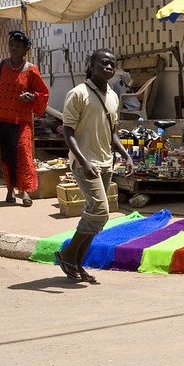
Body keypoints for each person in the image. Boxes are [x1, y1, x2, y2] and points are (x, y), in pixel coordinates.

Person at [55, 49, 135, 283]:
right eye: (104, 63)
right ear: (91, 65)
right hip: (85, 163)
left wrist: (125, 155)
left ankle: (75, 262)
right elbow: (68, 131)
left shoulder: (113, 95)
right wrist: (83, 160)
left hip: (105, 162)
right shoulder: (78, 94)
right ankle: (68, 253)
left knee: (95, 214)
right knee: (100, 211)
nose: (109, 68)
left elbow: (113, 132)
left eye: (112, 65)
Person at [0, 30, 49, 207]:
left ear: (25, 50)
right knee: (7, 155)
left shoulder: (31, 70)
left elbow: (43, 93)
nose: (13, 48)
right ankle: (10, 190)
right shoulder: (1, 66)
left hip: (22, 120)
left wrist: (32, 96)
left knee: (23, 153)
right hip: (2, 119)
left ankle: (26, 191)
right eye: (11, 45)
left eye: (18, 46)